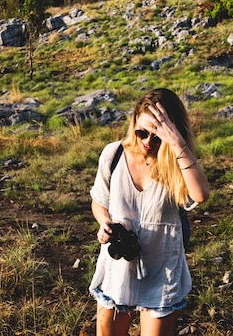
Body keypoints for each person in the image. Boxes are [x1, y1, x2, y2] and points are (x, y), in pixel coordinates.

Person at [89, 88, 210, 336]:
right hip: (118, 269)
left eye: (157, 137)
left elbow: (200, 195)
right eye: (141, 132)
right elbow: (99, 201)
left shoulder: (176, 162)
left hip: (161, 270)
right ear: (133, 121)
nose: (147, 142)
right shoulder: (113, 154)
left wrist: (176, 142)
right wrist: (104, 223)